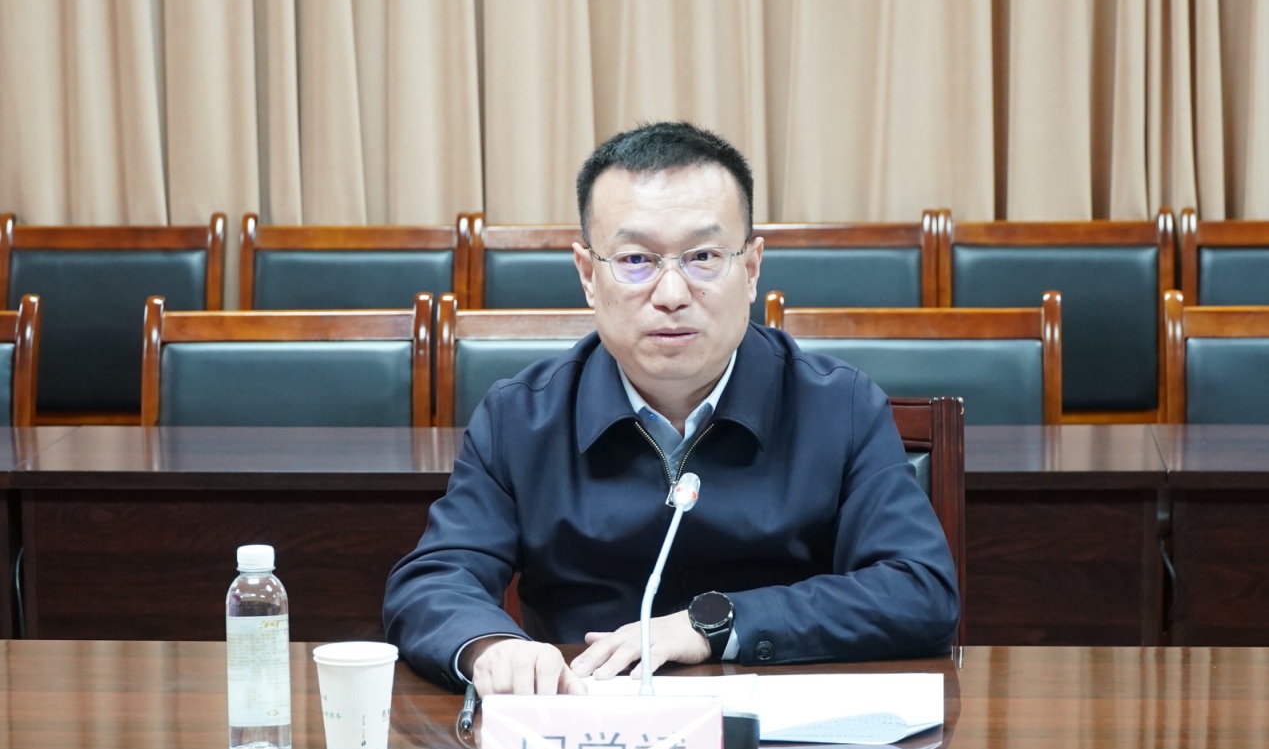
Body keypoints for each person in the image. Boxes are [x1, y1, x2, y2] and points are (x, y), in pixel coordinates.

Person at [384, 121, 958, 696]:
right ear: (587, 275)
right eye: (635, 259)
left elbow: (919, 590)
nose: (672, 294)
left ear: (751, 268)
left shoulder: (838, 406)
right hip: (585, 720)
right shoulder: (522, 418)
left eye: (704, 256)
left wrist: (714, 624)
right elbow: (434, 580)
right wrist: (490, 645)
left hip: (779, 727)